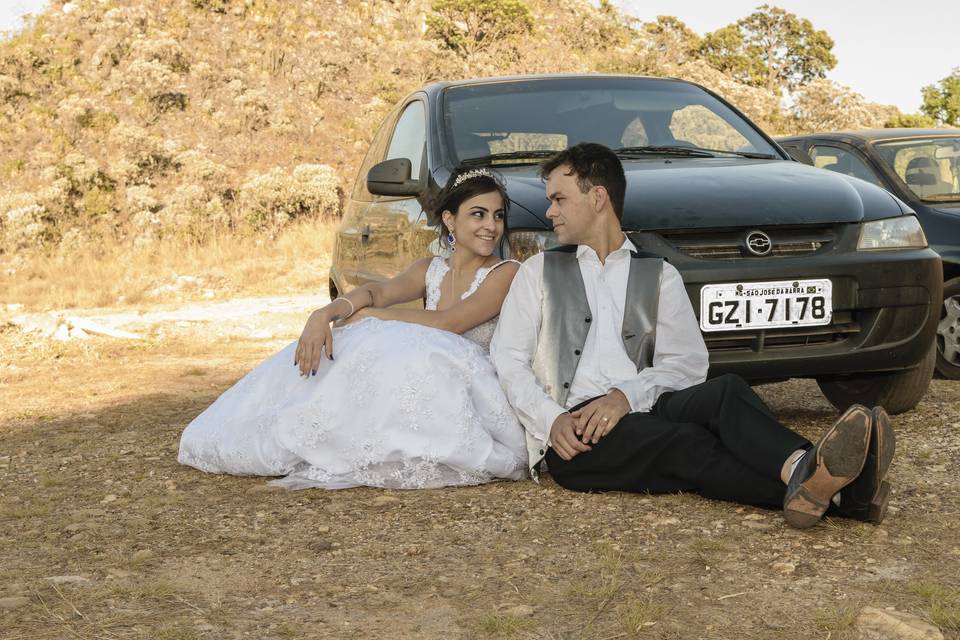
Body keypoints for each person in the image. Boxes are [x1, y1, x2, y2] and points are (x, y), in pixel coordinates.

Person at [490, 143, 895, 528]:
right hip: (576, 435)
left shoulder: (658, 273)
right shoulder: (538, 272)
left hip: (640, 402)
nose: (550, 211)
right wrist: (553, 419)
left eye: (559, 199)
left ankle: (808, 472)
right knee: (689, 442)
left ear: (597, 198)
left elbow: (687, 363)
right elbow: (507, 359)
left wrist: (625, 396)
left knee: (726, 391)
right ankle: (845, 493)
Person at [178, 167, 528, 489]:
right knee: (359, 337)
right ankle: (307, 428)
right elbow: (379, 291)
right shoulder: (430, 268)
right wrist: (326, 313)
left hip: (471, 381)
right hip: (427, 371)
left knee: (387, 337)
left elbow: (450, 323)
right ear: (450, 220)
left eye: (498, 216)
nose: (491, 226)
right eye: (478, 214)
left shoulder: (505, 272)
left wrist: (373, 316)